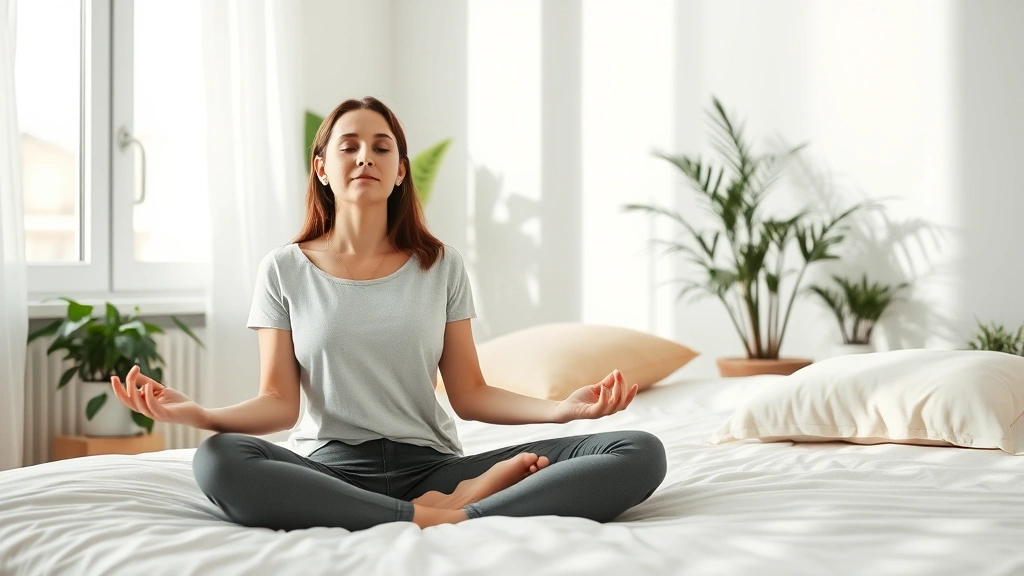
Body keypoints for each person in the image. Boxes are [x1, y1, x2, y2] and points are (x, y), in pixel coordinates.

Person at [109, 96, 667, 532]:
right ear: (322, 167)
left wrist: (560, 411)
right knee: (219, 460)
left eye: (381, 147)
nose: (365, 158)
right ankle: (446, 516)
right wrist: (198, 414)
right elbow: (279, 405)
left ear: (401, 170)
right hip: (332, 470)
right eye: (348, 146)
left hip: (434, 466)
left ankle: (448, 504)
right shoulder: (283, 270)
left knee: (638, 452)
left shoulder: (442, 266)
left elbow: (469, 392)